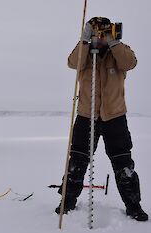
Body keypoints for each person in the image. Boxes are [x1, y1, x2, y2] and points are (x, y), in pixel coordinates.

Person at [55, 17, 148, 221]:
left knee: (123, 164)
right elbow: (72, 63)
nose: (100, 36)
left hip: (115, 117)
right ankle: (67, 201)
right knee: (77, 162)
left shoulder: (119, 53)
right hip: (86, 116)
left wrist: (113, 40)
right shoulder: (85, 54)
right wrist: (84, 40)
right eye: (96, 32)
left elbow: (130, 62)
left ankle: (133, 206)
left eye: (103, 32)